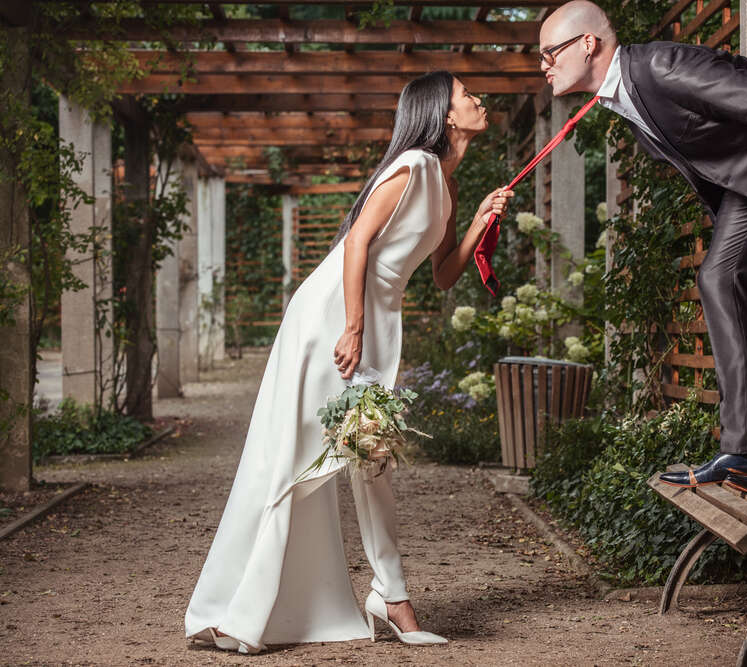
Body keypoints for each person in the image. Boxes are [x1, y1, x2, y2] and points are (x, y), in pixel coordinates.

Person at [184, 71, 513, 653]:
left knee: (367, 455)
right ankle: (265, 604)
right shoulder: (412, 165)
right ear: (442, 113)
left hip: (374, 323)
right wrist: (354, 327)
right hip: (333, 319)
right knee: (319, 456)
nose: (477, 99)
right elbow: (357, 241)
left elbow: (441, 276)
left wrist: (484, 219)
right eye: (466, 94)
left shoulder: (446, 184)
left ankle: (385, 594)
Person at [538, 2, 747, 504]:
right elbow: (714, 157)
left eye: (550, 52)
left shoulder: (660, 68)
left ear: (588, 43)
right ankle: (743, 447)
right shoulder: (623, 93)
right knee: (719, 278)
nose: (544, 65)